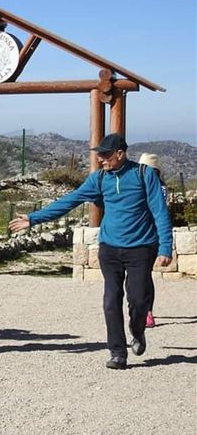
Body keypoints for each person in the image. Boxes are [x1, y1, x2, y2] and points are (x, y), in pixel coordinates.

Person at [9, 134, 172, 370]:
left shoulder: (144, 175)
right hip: (110, 248)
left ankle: (137, 331)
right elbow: (70, 201)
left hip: (141, 248)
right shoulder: (99, 179)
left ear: (120, 153)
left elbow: (160, 212)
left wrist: (165, 247)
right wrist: (34, 219)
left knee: (138, 301)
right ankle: (118, 353)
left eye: (105, 154)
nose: (100, 158)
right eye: (99, 154)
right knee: (110, 301)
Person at [138, 153, 168, 328]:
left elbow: (160, 212)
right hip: (139, 234)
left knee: (144, 275)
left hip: (151, 235)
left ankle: (147, 310)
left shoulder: (159, 189)